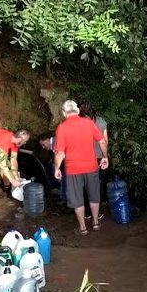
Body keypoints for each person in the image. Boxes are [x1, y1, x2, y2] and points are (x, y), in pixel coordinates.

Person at [53, 100, 109, 235]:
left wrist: (56, 168)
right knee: (94, 195)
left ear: (63, 113)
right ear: (77, 111)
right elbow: (102, 141)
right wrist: (105, 157)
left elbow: (60, 152)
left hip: (73, 169)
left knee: (77, 198)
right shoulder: (89, 123)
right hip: (91, 166)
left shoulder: (62, 127)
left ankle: (83, 228)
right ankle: (95, 223)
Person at [79, 100, 108, 219]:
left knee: (85, 185)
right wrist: (105, 156)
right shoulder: (101, 121)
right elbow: (105, 141)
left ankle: (86, 212)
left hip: (83, 159)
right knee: (98, 186)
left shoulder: (79, 122)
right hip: (99, 158)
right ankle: (98, 211)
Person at [40, 133, 66, 203]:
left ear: (47, 140)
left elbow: (59, 154)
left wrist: (56, 168)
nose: (43, 147)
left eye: (43, 144)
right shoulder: (54, 143)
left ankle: (64, 200)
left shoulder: (56, 142)